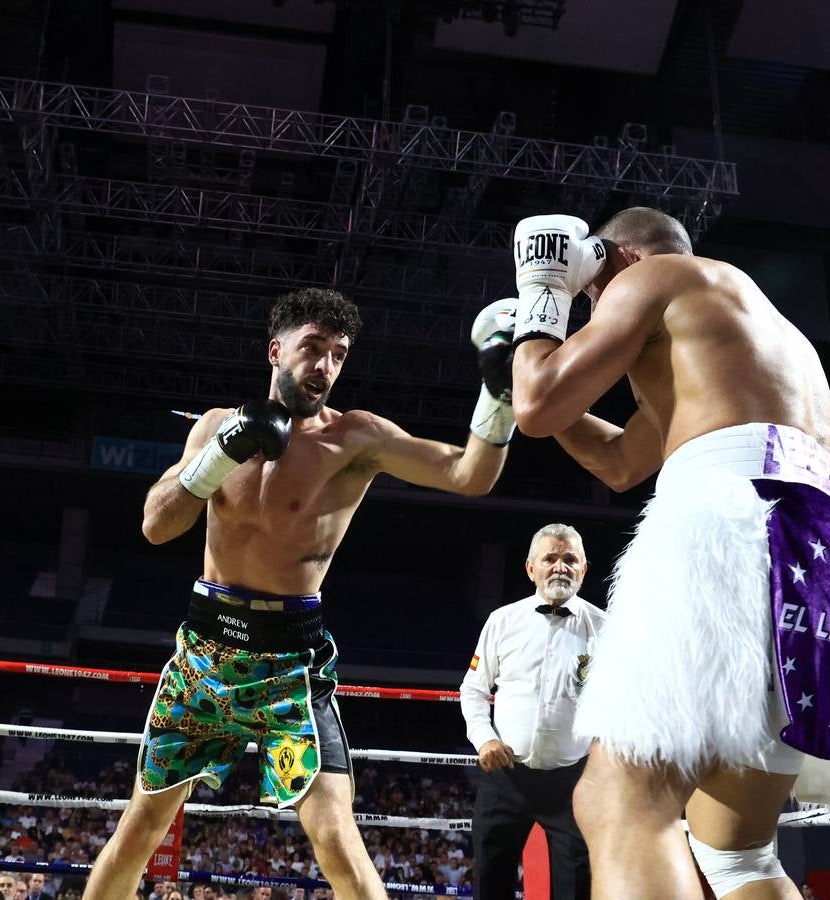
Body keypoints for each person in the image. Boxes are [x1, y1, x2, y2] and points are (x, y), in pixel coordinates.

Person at [487, 208, 830, 898]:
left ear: (615, 256)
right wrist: (515, 381)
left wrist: (544, 298)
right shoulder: (747, 330)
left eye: (596, 295)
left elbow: (541, 402)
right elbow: (619, 462)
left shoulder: (652, 275)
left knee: (619, 804)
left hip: (730, 523)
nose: (600, 316)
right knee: (738, 850)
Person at [82, 287, 511, 900]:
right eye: (313, 348)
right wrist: (222, 454)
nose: (325, 366)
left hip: (290, 666)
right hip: (202, 658)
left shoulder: (356, 439)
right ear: (276, 350)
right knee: (139, 829)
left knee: (334, 835)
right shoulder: (213, 427)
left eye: (338, 355)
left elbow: (471, 476)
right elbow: (156, 524)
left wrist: (499, 396)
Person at [460, 523, 604, 900]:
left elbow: (618, 706)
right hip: (505, 776)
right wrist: (485, 739)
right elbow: (473, 690)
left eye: (570, 559)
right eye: (550, 558)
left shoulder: (606, 629)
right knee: (491, 883)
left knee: (576, 889)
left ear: (584, 568)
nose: (560, 567)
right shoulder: (502, 621)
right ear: (531, 568)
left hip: (573, 782)